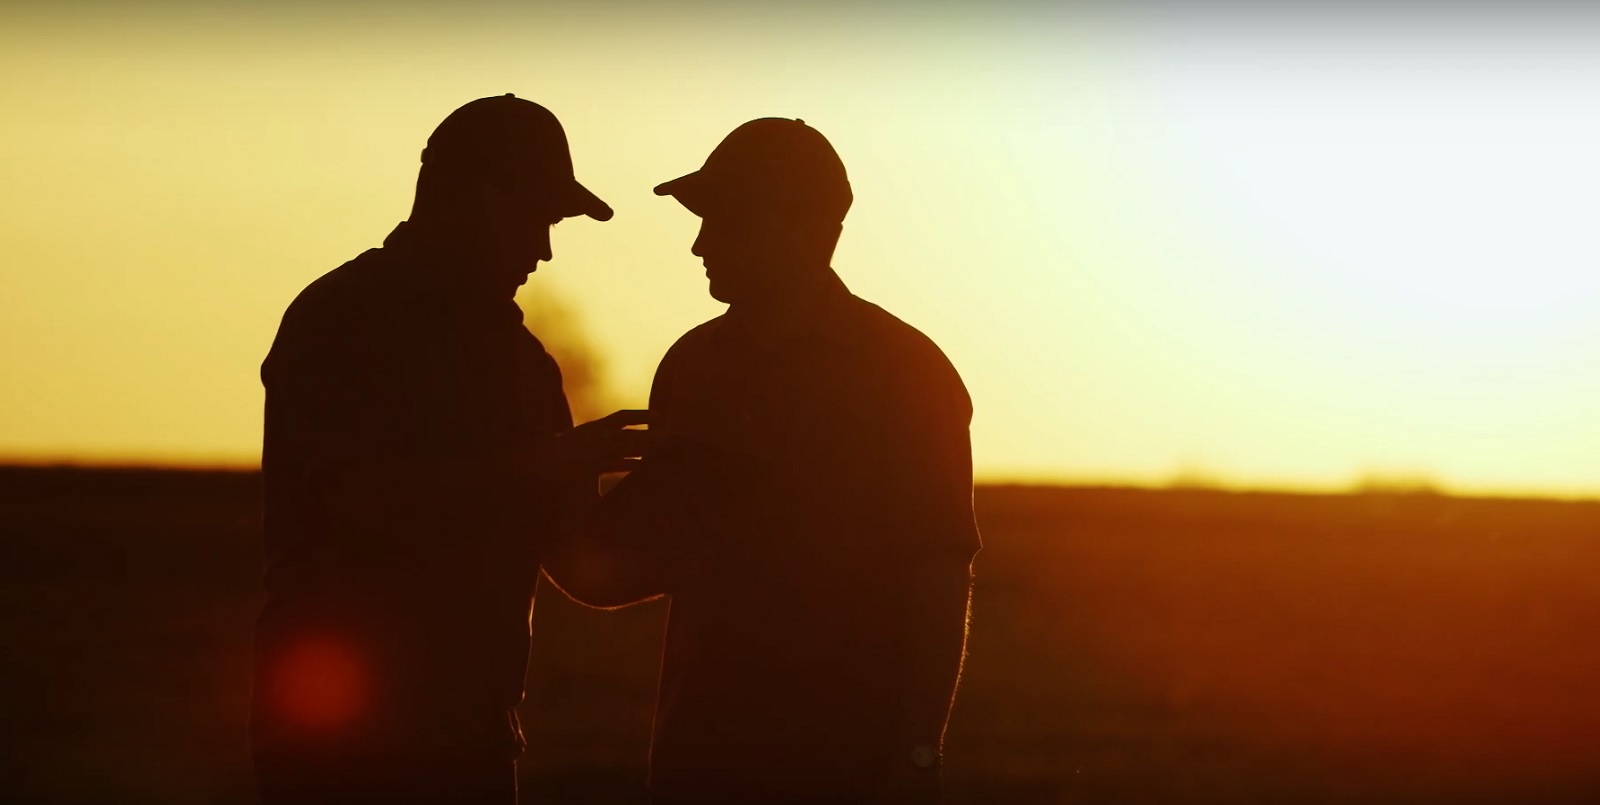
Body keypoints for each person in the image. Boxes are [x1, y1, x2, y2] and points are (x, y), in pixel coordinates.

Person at [544, 118, 981, 804]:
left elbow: (938, 577)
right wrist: (562, 479)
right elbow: (614, 571)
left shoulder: (907, 374)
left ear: (794, 225)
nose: (699, 243)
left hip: (847, 772)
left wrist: (918, 758)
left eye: (724, 221)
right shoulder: (693, 367)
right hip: (702, 768)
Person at [251, 94, 647, 805]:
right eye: (538, 218)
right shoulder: (339, 320)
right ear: (475, 196)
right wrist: (542, 465)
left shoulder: (526, 364)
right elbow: (348, 503)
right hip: (334, 752)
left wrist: (699, 503)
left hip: (471, 752)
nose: (545, 249)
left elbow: (585, 564)